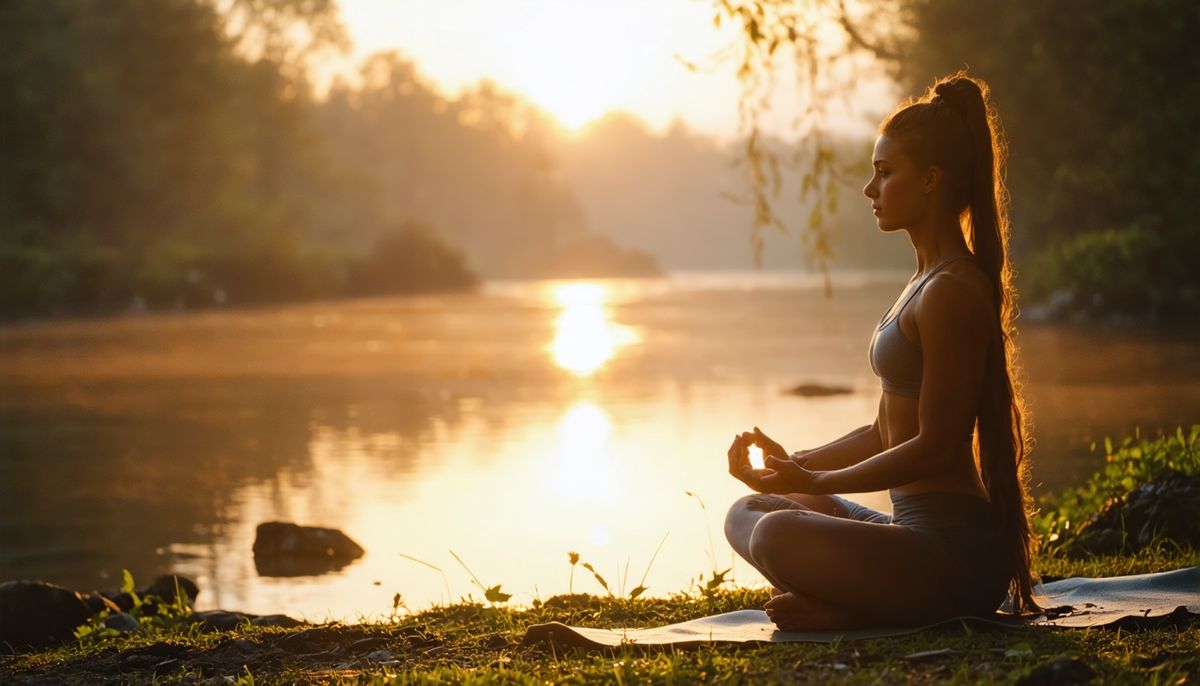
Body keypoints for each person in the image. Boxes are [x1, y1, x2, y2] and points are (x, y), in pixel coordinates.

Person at [723, 72, 1039, 631]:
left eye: (885, 173)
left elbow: (937, 449)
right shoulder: (923, 281)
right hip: (908, 535)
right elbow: (881, 432)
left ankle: (847, 604)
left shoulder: (954, 290)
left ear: (931, 181)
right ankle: (851, 599)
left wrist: (817, 484)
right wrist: (795, 467)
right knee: (750, 513)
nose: (870, 190)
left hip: (953, 554)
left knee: (776, 533)